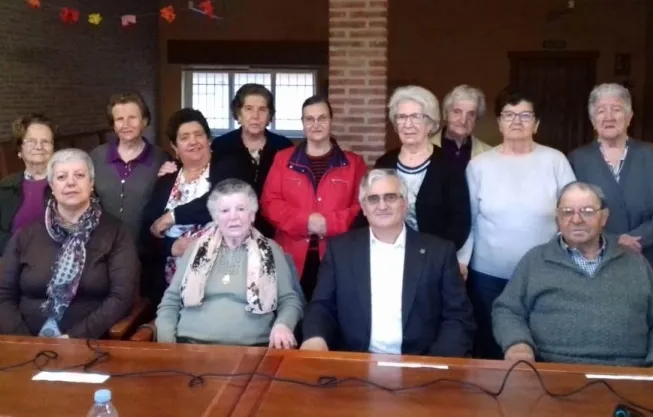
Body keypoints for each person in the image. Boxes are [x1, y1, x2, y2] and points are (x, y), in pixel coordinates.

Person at [492, 181, 653, 368]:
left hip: (628, 371)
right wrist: (518, 345)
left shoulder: (635, 262)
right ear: (557, 218)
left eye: (587, 211)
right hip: (553, 370)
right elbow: (507, 310)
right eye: (567, 212)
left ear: (604, 217)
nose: (576, 220)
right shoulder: (535, 261)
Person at [300, 169, 475, 357]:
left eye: (390, 197)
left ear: (404, 203)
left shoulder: (439, 252)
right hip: (355, 360)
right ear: (364, 208)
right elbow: (321, 306)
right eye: (373, 199)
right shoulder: (340, 251)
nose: (382, 206)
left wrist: (435, 363)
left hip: (420, 361)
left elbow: (458, 316)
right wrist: (315, 338)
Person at [457, 89, 576, 359]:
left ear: (536, 123)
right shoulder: (479, 165)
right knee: (492, 347)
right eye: (509, 115)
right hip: (488, 277)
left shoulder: (555, 161)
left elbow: (571, 214)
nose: (517, 121)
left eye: (525, 115)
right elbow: (469, 219)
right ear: (499, 123)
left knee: (541, 347)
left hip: (545, 273)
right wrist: (462, 260)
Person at [0, 149, 138, 339]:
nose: (71, 182)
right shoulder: (26, 234)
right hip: (26, 341)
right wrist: (24, 341)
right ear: (52, 185)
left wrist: (74, 338)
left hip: (88, 341)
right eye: (61, 177)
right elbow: (3, 296)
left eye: (79, 175)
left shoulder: (115, 232)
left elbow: (121, 297)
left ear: (91, 183)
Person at [155, 179, 303, 347]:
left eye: (241, 209)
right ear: (215, 217)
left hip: (253, 349)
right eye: (225, 210)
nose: (233, 217)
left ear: (252, 215)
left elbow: (290, 301)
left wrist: (283, 325)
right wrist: (168, 344)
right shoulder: (195, 249)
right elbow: (171, 301)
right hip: (189, 345)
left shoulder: (270, 249)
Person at [569, 83, 653, 289]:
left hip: (647, 259)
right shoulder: (578, 159)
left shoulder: (652, 155)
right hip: (596, 260)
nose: (609, 117)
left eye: (617, 109)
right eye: (601, 111)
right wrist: (614, 240)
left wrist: (638, 238)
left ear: (629, 117)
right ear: (593, 121)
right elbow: (570, 214)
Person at [260, 95, 366, 300]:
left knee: (333, 312)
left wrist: (329, 224)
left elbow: (362, 208)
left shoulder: (354, 164)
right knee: (292, 310)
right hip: (291, 255)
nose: (316, 124)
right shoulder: (283, 159)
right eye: (309, 119)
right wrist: (306, 222)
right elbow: (270, 203)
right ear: (302, 123)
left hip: (338, 254)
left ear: (331, 121)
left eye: (322, 118)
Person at [155, 84, 292, 238]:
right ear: (238, 113)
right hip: (232, 227)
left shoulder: (283, 146)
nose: (255, 116)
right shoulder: (223, 144)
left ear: (269, 115)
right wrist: (174, 164)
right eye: (248, 109)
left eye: (262, 109)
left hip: (274, 227)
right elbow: (199, 159)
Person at [141, 108, 241, 305]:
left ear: (209, 140)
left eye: (198, 135)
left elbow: (221, 201)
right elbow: (148, 231)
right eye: (184, 137)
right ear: (174, 146)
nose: (193, 141)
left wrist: (171, 217)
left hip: (221, 285)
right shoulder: (166, 179)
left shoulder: (228, 167)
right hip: (170, 291)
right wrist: (171, 247)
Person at [355, 85, 470, 251]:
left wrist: (438, 256)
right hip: (388, 253)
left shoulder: (450, 165)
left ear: (430, 124)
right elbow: (368, 210)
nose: (408, 124)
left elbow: (460, 222)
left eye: (416, 117)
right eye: (401, 117)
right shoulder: (384, 163)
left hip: (433, 256)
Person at [90, 92, 169, 246]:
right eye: (119, 119)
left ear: (144, 121)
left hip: (146, 249)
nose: (126, 124)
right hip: (103, 248)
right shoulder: (96, 157)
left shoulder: (161, 159)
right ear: (113, 125)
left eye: (132, 117)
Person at [0, 114, 55, 255]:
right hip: (14, 260)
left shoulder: (70, 184)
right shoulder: (3, 188)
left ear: (53, 149)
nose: (39, 147)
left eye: (45, 141)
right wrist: (13, 245)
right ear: (20, 151)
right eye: (31, 141)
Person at [430, 84, 492, 171]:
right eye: (457, 112)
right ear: (445, 114)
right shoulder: (423, 149)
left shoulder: (488, 154)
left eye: (471, 114)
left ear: (476, 118)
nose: (463, 121)